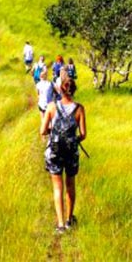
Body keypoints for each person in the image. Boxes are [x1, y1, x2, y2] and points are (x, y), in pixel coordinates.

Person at [40, 77, 87, 234]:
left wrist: (51, 133)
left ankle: (60, 225)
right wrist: (73, 140)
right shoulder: (79, 109)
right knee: (71, 185)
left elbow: (42, 131)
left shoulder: (52, 107)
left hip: (55, 152)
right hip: (71, 152)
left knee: (57, 187)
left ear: (60, 89)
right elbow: (83, 134)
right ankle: (69, 220)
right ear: (73, 90)